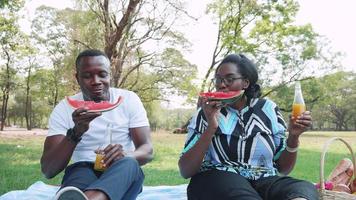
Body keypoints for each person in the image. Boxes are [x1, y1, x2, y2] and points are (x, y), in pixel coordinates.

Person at [178, 54, 318, 200]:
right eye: (218, 79)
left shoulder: (268, 109)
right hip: (217, 179)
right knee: (237, 191)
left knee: (304, 189)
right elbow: (185, 170)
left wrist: (294, 136)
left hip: (263, 180)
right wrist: (211, 126)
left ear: (245, 82)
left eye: (229, 79)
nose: (222, 84)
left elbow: (283, 169)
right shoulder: (205, 112)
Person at [40, 49, 153, 200]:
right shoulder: (64, 108)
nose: (96, 81)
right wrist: (76, 132)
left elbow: (147, 150)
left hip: (122, 169)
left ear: (109, 74)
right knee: (79, 176)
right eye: (87, 76)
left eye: (102, 74)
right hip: (82, 168)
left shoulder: (129, 99)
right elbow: (49, 170)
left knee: (130, 164)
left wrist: (126, 154)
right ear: (77, 78)